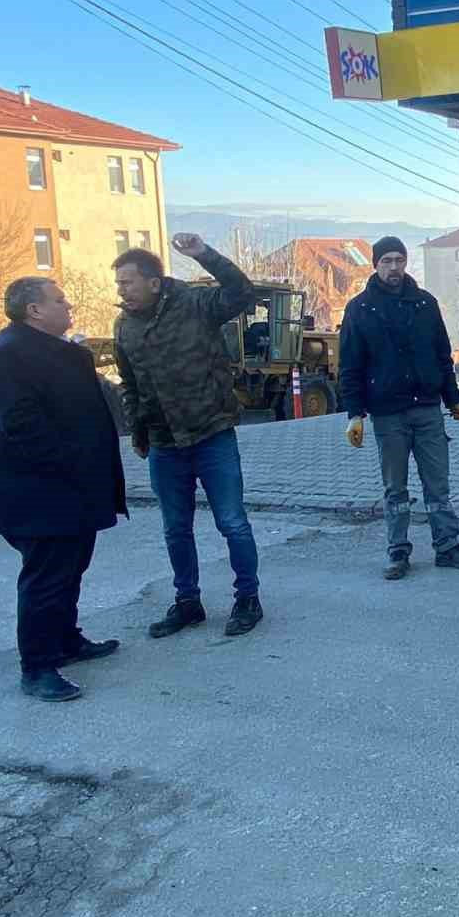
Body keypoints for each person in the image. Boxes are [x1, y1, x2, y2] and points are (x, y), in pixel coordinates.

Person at [0, 277, 126, 702]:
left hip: (73, 490)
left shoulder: (60, 352)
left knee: (70, 570)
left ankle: (66, 639)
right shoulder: (8, 357)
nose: (68, 306)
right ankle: (38, 666)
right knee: (45, 579)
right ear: (34, 311)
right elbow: (22, 427)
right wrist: (75, 462)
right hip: (38, 494)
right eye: (59, 301)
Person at [112, 235, 264, 639]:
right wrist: (137, 428)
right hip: (164, 443)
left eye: (127, 282)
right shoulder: (124, 326)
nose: (121, 290)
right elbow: (129, 383)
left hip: (212, 432)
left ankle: (247, 598)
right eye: (119, 284)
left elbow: (241, 292)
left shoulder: (196, 304)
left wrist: (202, 254)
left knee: (232, 523)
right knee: (175, 528)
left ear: (154, 282)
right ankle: (187, 602)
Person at [340, 236, 459, 580]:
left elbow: (442, 357)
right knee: (396, 489)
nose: (393, 267)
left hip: (427, 410)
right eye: (386, 260)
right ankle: (398, 552)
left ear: (406, 263)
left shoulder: (424, 304)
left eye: (399, 260)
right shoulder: (359, 309)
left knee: (438, 486)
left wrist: (455, 400)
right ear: (375, 264)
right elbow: (350, 366)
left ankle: (447, 547)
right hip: (388, 415)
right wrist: (354, 415)